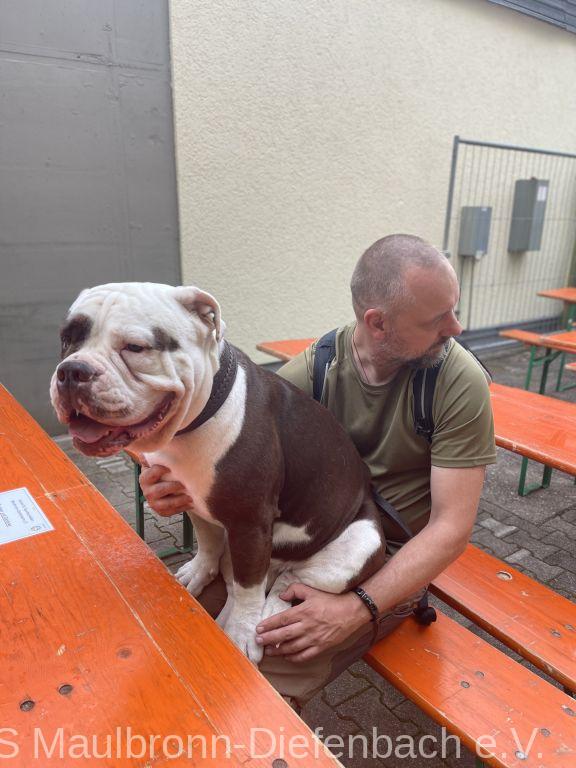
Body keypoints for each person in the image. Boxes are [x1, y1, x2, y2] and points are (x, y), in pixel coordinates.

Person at [139, 234, 496, 707]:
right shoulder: (320, 364)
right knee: (177, 634)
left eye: (453, 309)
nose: (456, 327)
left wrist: (357, 608)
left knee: (241, 684)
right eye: (437, 319)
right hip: (285, 541)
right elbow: (236, 454)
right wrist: (168, 482)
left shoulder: (458, 382)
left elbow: (451, 530)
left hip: (382, 562)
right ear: (378, 323)